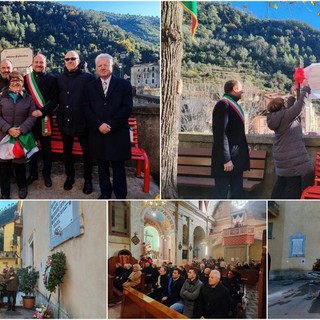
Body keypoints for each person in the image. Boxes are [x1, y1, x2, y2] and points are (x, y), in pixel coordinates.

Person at [84, 53, 132, 199]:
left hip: (117, 132)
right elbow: (86, 108)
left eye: (106, 65)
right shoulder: (90, 87)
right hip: (98, 133)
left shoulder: (124, 85)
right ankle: (105, 193)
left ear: (112, 66)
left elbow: (127, 108)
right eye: (100, 65)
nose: (103, 68)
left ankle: (120, 195)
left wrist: (110, 124)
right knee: (102, 166)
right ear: (96, 68)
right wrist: (99, 125)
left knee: (118, 167)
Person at [267, 80, 314, 198]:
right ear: (282, 107)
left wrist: (292, 96)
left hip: (281, 156)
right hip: (291, 158)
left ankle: (272, 205)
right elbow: (299, 107)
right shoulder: (286, 116)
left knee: (281, 183)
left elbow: (290, 110)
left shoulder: (275, 117)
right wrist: (305, 89)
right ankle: (288, 207)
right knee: (293, 186)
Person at [57, 50, 95, 194]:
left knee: (87, 153)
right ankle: (70, 177)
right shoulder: (59, 78)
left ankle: (88, 179)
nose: (70, 61)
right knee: (67, 153)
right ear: (64, 61)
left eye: (73, 58)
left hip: (83, 123)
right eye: (67, 59)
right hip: (65, 121)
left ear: (79, 61)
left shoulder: (88, 78)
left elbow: (94, 100)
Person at [0, 71, 37, 199]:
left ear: (22, 83)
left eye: (19, 80)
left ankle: (22, 186)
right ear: (9, 83)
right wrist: (8, 129)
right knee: (4, 165)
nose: (16, 83)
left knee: (19, 163)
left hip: (21, 136)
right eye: (13, 80)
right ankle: (5, 192)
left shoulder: (29, 98)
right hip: (4, 135)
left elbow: (32, 116)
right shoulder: (2, 96)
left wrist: (21, 130)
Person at [211, 80, 250, 199]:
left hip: (236, 159)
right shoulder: (223, 105)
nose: (243, 91)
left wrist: (244, 146)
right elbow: (220, 134)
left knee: (237, 192)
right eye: (241, 89)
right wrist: (226, 159)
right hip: (227, 161)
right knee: (221, 192)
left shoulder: (231, 104)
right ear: (235, 89)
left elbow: (234, 132)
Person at [24, 54, 58, 188]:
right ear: (32, 63)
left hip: (45, 120)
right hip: (29, 120)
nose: (38, 64)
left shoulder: (52, 79)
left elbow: (55, 100)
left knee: (46, 150)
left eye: (41, 62)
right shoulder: (26, 79)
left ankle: (46, 174)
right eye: (36, 62)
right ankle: (33, 174)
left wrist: (42, 111)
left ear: (46, 64)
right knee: (31, 148)